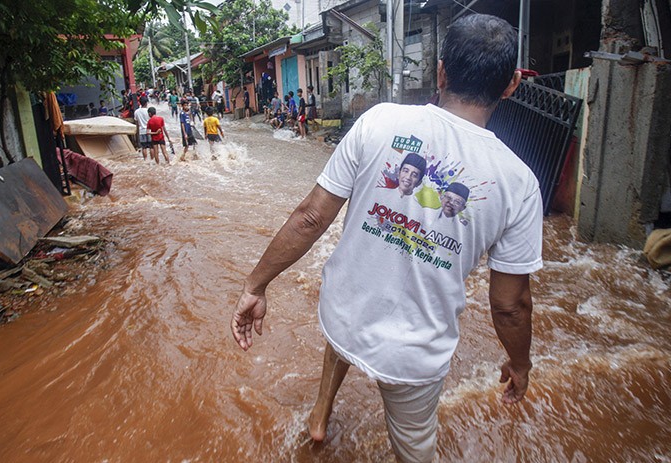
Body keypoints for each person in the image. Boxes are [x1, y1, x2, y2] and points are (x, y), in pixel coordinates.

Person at [231, 14, 540, 463]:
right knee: (415, 450)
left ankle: (319, 415)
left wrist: (255, 285)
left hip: (344, 313)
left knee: (340, 340)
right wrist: (520, 362)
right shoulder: (519, 181)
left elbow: (309, 218)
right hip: (414, 356)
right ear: (511, 84)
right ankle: (323, 413)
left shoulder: (380, 121)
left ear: (440, 72)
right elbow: (509, 304)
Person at [133, 96, 152, 161]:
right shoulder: (149, 111)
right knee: (151, 147)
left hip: (141, 131)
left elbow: (136, 124)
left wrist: (137, 134)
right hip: (149, 131)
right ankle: (152, 160)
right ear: (146, 103)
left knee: (144, 147)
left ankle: (145, 160)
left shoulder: (136, 112)